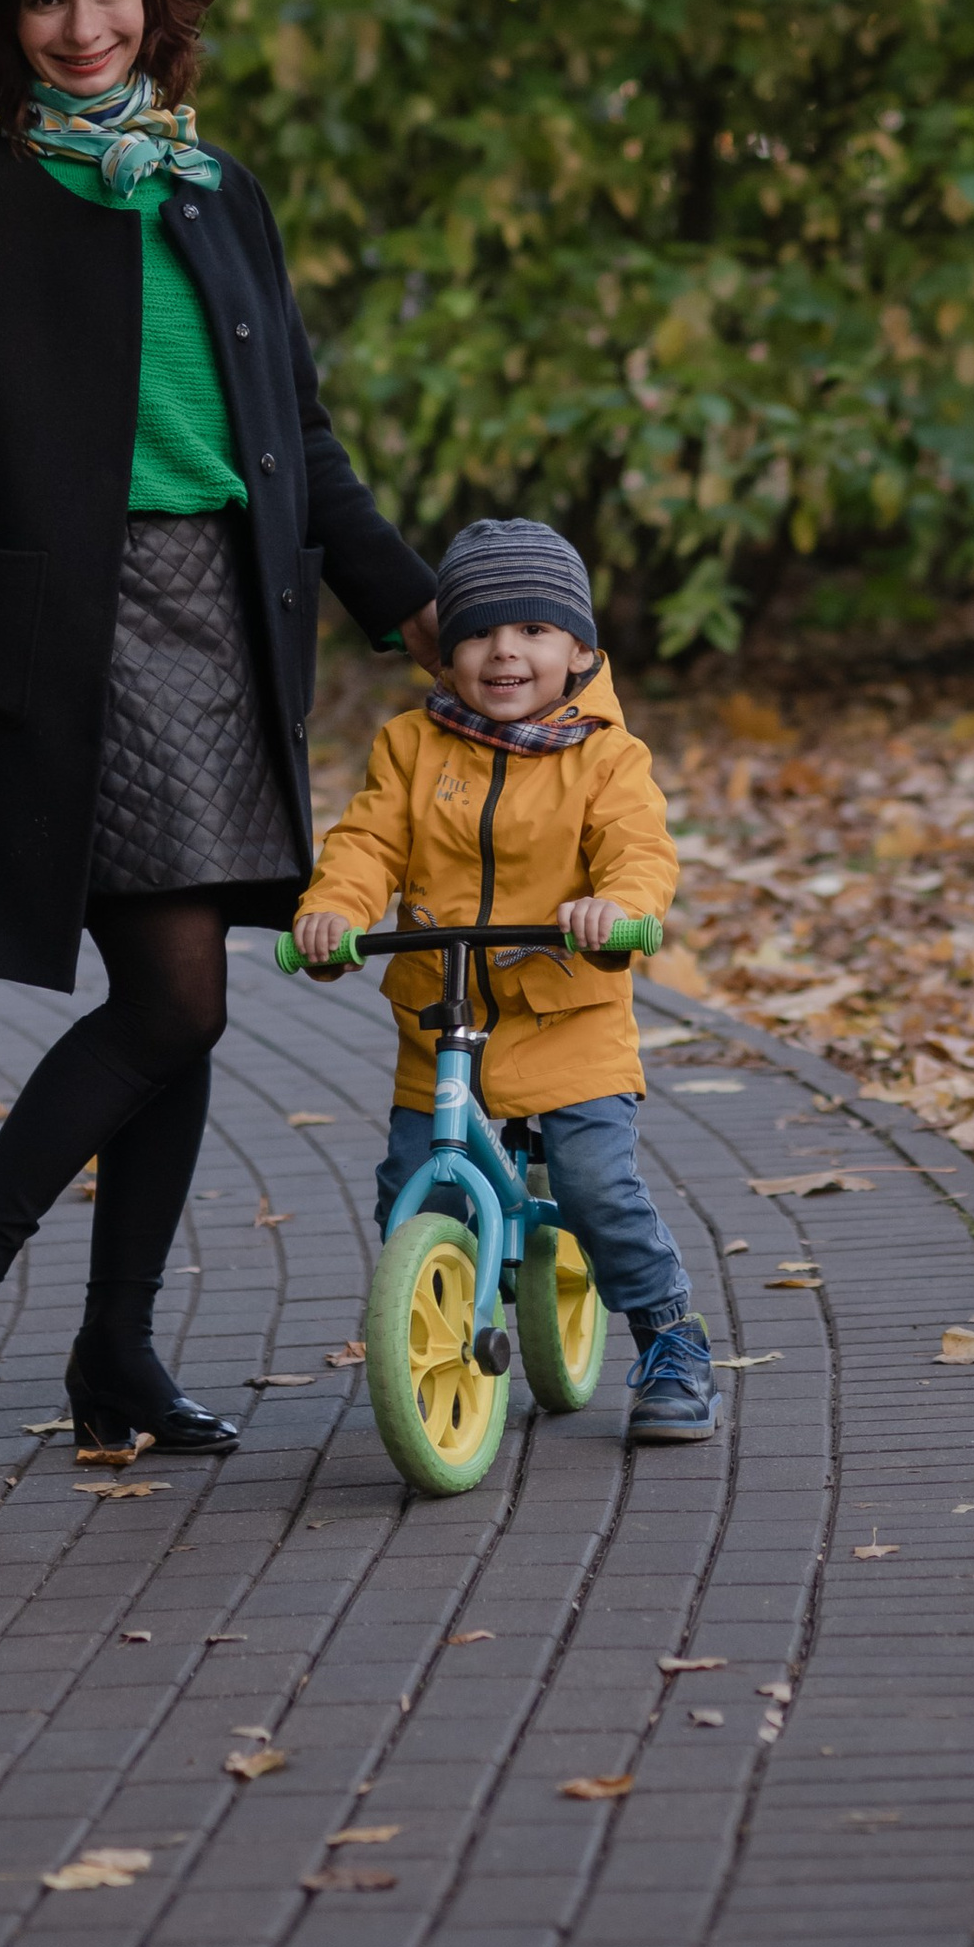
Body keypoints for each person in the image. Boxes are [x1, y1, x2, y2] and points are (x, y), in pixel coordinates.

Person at [0, 0, 441, 1478]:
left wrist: (412, 604)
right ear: (9, 25)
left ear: (156, 2)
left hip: (227, 620)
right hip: (80, 631)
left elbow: (300, 433)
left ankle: (115, 1357)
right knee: (173, 996)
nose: (86, 26)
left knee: (186, 1005)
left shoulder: (219, 192)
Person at [293, 517, 721, 1443]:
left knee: (594, 1182)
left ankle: (670, 1339)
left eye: (531, 631)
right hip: (441, 1019)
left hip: (567, 1012)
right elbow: (369, 842)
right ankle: (440, 1293)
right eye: (479, 633)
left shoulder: (608, 757)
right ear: (445, 654)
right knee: (415, 1183)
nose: (504, 653)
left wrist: (615, 910)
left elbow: (638, 850)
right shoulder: (411, 746)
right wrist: (334, 909)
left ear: (576, 648)